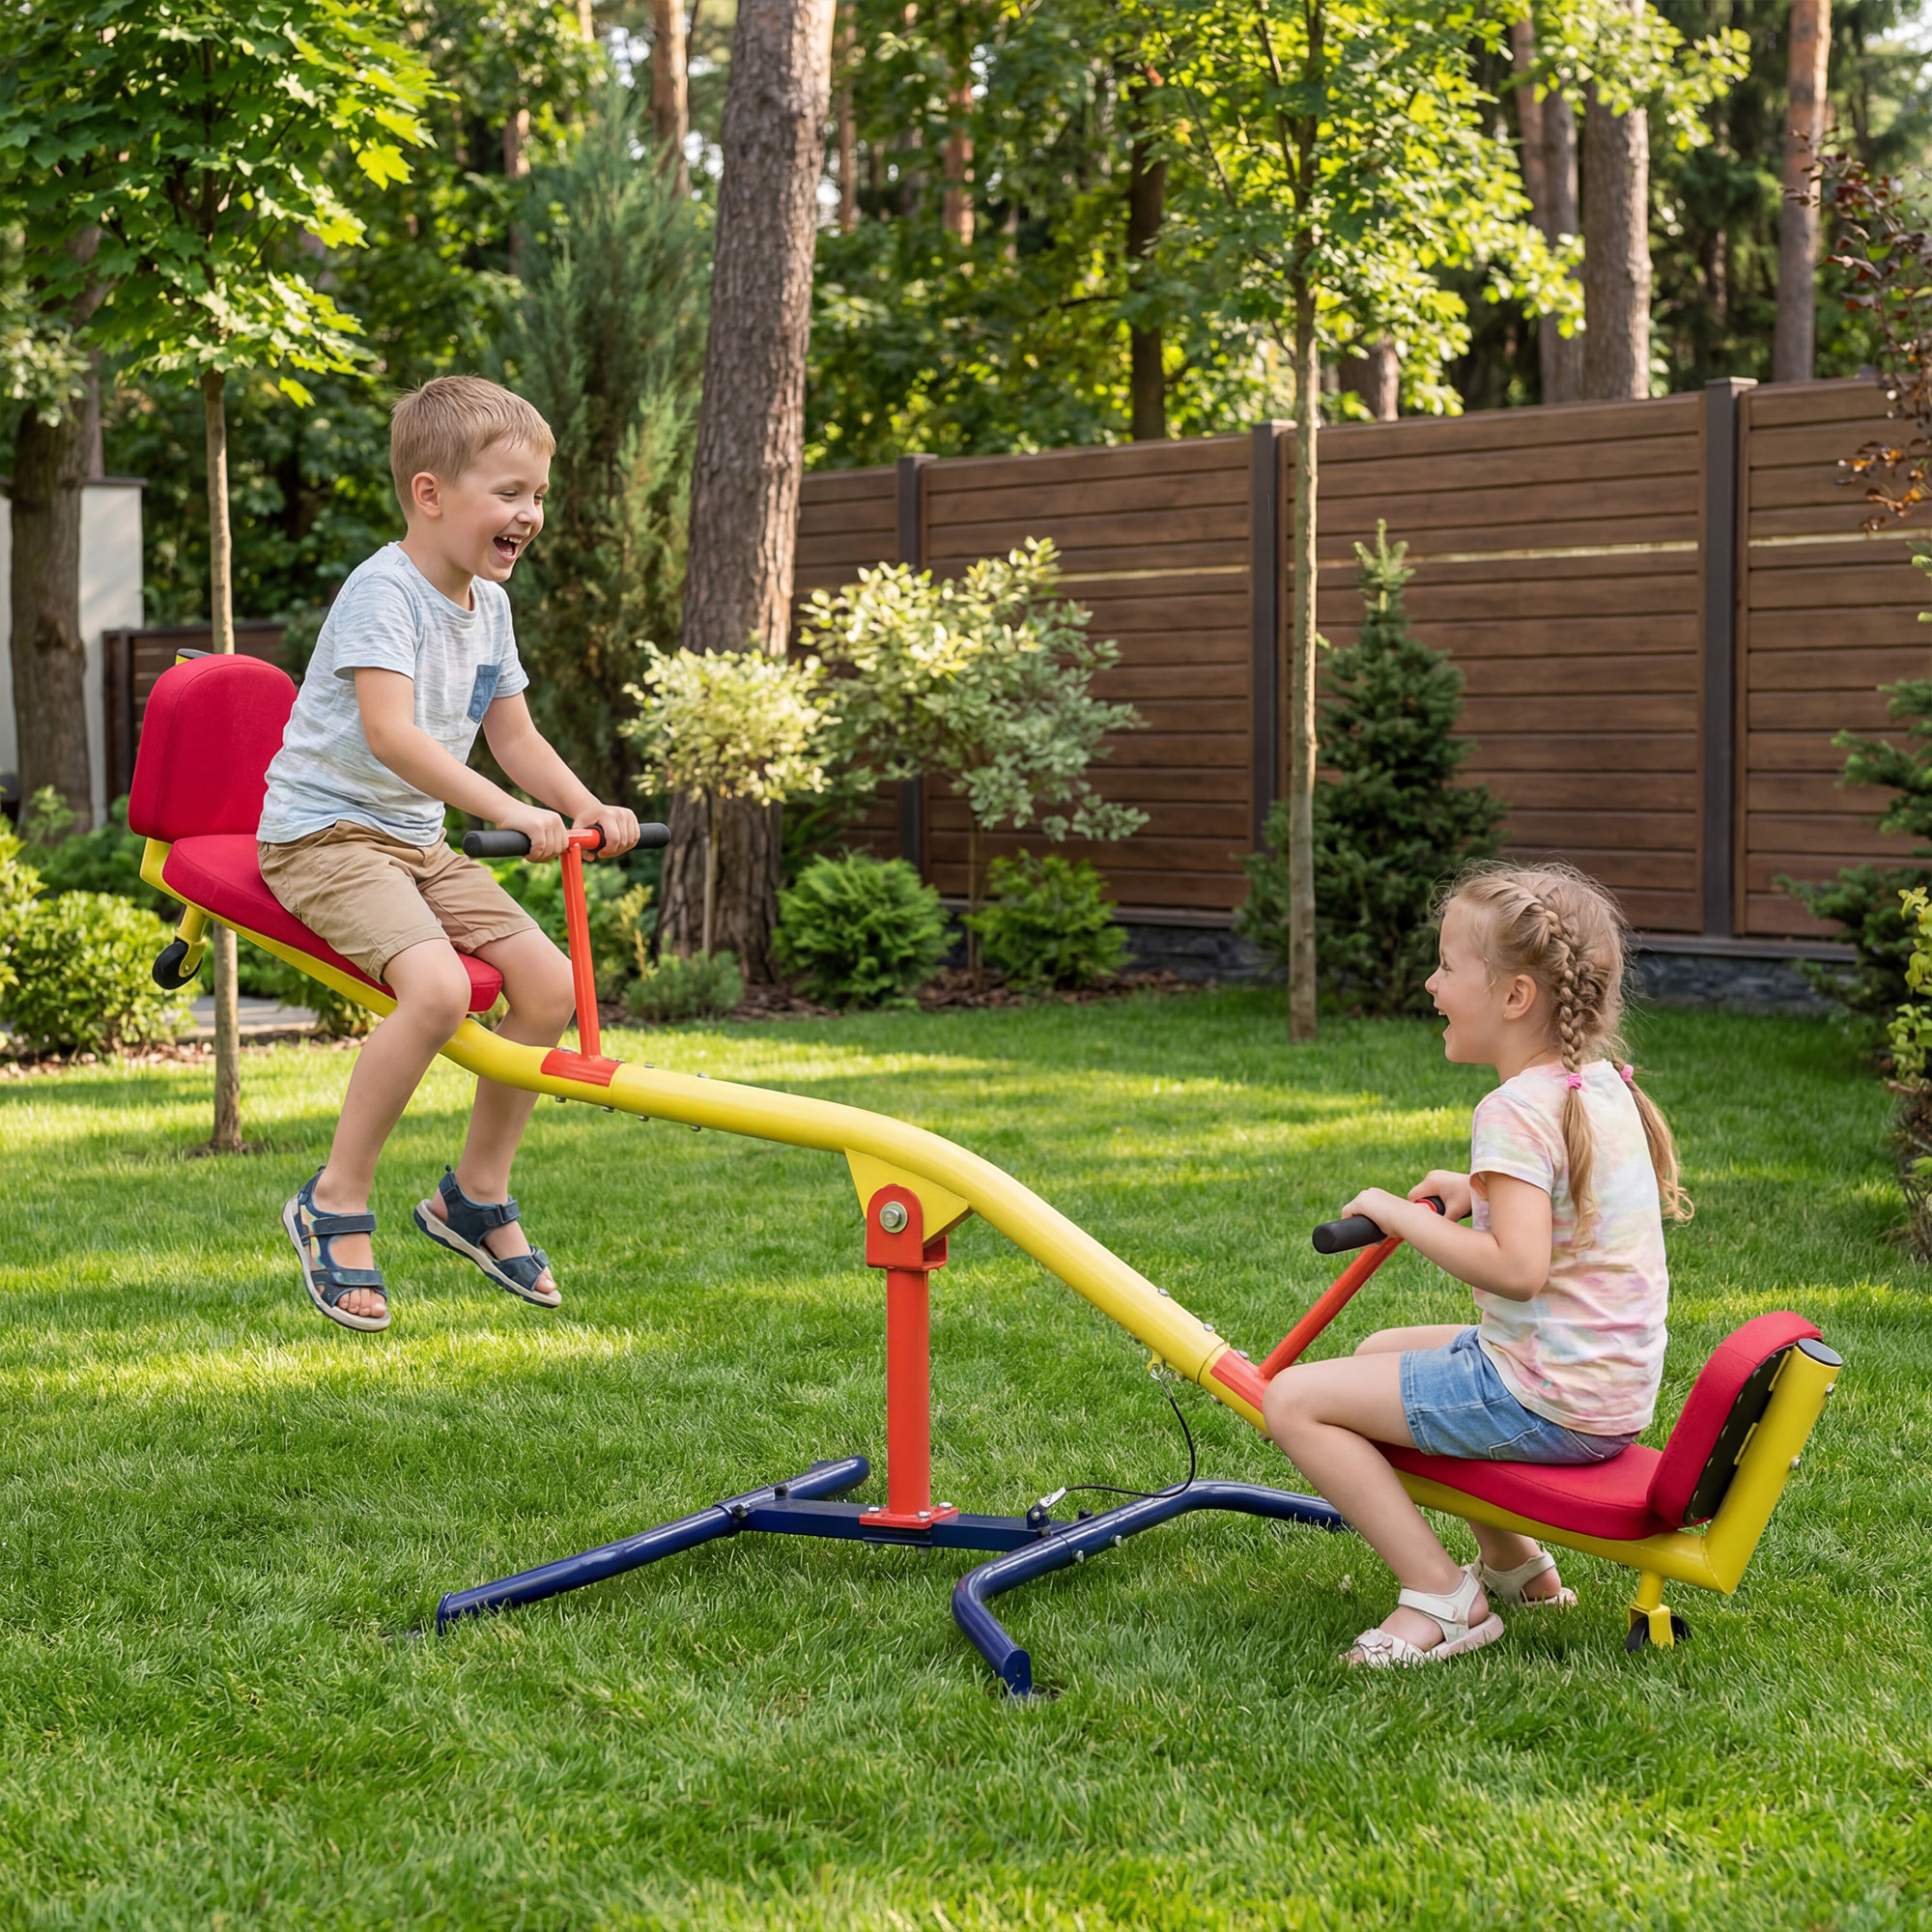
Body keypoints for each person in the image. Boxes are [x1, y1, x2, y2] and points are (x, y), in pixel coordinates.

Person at [257, 375, 640, 1333]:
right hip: (325, 835)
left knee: (549, 987)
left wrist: (583, 803)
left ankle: (472, 1192)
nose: (530, 514)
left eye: (537, 495)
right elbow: (393, 736)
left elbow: (511, 733)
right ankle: (334, 1196)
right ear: (430, 494)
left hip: (415, 841)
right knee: (435, 989)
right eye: (509, 493)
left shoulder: (487, 606)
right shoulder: (382, 589)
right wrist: (509, 810)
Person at [1262, 863, 1691, 1665]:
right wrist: (1477, 1189)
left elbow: (1518, 1267)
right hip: (1602, 1389)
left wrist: (1394, 1214)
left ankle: (1441, 1598)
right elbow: (1569, 1209)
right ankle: (1516, 1566)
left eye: (1448, 966)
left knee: (1293, 1401)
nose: (1430, 983)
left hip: (1542, 1397)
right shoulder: (1595, 1085)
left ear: (1515, 996)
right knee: (1378, 1352)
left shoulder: (1512, 1109)